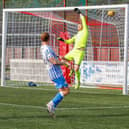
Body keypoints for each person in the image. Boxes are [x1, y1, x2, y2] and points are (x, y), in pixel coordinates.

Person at [40, 32, 70, 118]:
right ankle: (51, 104)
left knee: (62, 90)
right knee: (66, 91)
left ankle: (52, 106)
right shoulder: (47, 49)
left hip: (52, 72)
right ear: (49, 39)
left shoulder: (42, 48)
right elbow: (53, 61)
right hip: (55, 72)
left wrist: (58, 56)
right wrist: (64, 63)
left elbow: (51, 57)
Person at [57, 8, 88, 90]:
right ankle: (70, 66)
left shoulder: (85, 31)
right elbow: (68, 41)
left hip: (80, 52)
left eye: (80, 24)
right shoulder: (76, 35)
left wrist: (80, 13)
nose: (78, 25)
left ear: (82, 26)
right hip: (74, 51)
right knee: (62, 59)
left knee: (77, 68)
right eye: (77, 25)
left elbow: (83, 20)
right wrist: (62, 40)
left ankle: (78, 82)